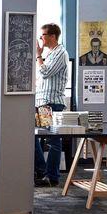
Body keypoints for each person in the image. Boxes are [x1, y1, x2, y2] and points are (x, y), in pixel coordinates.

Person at [35, 23, 69, 187]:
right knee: (35, 136)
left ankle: (51, 176)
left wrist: (38, 56)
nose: (41, 38)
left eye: (43, 35)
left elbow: (45, 72)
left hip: (52, 104)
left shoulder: (60, 53)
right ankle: (43, 171)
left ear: (52, 36)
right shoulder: (51, 53)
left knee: (53, 139)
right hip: (44, 104)